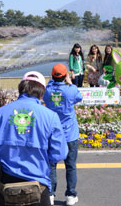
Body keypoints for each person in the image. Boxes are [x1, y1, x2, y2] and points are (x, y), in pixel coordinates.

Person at [0, 71, 68, 206]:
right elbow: (59, 153)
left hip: (6, 184)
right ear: (42, 92)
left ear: (21, 89)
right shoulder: (51, 116)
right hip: (38, 185)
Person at [43, 64, 83, 206]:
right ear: (66, 76)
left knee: (51, 166)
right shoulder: (70, 90)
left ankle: (51, 194)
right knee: (70, 165)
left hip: (52, 134)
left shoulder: (48, 91)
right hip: (70, 134)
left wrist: (54, 80)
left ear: (52, 76)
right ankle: (71, 195)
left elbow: (47, 89)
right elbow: (79, 97)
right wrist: (70, 82)